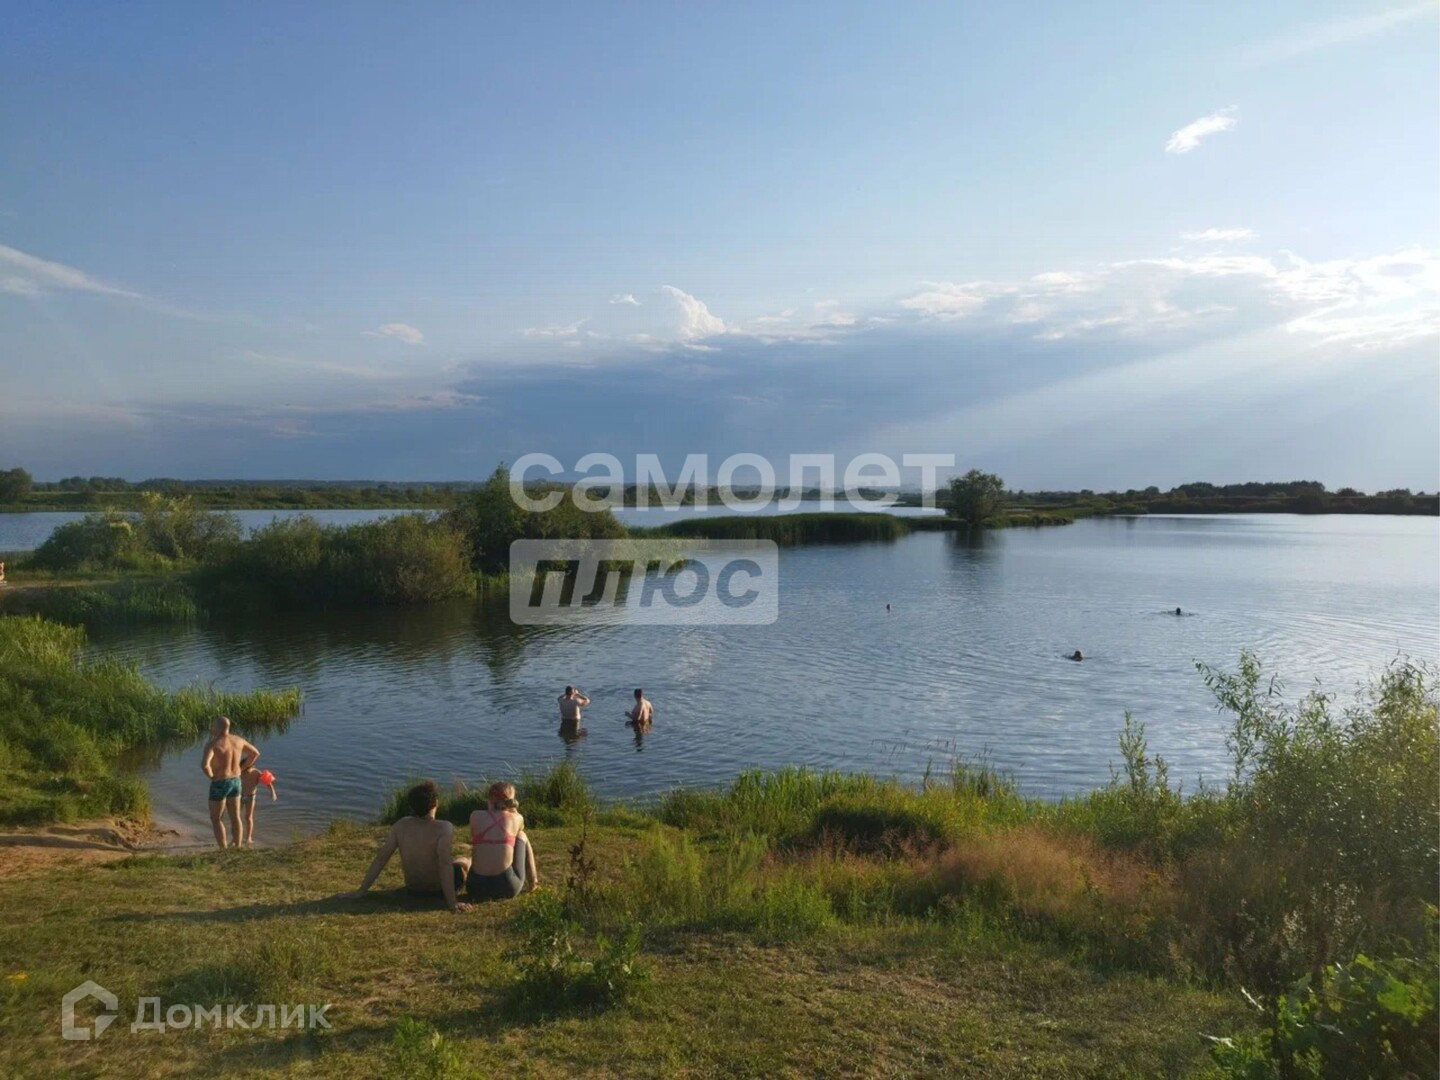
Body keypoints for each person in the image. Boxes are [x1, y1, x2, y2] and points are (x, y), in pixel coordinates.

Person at [341, 781, 471, 913]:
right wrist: (452, 903)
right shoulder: (444, 827)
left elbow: (381, 858)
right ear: (436, 803)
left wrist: (361, 890)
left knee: (457, 862)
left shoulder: (401, 825)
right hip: (438, 889)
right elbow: (444, 865)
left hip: (414, 889)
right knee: (464, 861)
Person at [466, 781, 538, 902]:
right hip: (505, 887)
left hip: (476, 887)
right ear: (512, 801)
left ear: (489, 799)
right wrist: (513, 810)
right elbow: (519, 830)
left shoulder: (475, 816)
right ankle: (533, 880)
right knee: (522, 835)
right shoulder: (517, 818)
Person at [200, 716, 258, 849]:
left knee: (216, 818)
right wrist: (242, 768)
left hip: (220, 782)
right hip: (236, 781)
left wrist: (211, 776)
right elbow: (255, 753)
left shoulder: (213, 745)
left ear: (218, 728)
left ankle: (223, 849)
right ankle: (238, 846)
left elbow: (205, 765)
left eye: (213, 726)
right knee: (235, 816)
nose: (211, 728)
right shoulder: (238, 740)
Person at [239, 764, 278, 848]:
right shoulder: (240, 771)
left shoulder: (257, 773)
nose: (247, 770)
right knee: (236, 817)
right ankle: (236, 837)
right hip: (240, 796)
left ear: (252, 766)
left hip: (251, 797)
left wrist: (273, 792)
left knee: (248, 817)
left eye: (248, 767)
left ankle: (248, 838)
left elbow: (268, 783)